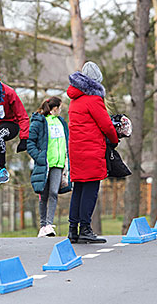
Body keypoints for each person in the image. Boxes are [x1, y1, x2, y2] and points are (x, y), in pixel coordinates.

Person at [67, 61, 118, 244]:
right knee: (91, 189)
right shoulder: (94, 100)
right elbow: (106, 125)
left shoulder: (74, 99)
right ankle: (86, 228)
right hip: (91, 150)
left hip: (76, 150)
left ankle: (73, 230)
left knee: (78, 189)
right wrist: (114, 139)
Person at [27, 96, 72, 238]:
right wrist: (39, 157)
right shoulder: (40, 122)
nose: (61, 109)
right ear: (54, 108)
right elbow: (30, 143)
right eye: (60, 107)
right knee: (43, 194)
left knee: (53, 192)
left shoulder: (61, 122)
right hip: (45, 164)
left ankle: (49, 224)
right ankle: (42, 226)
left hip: (59, 164)